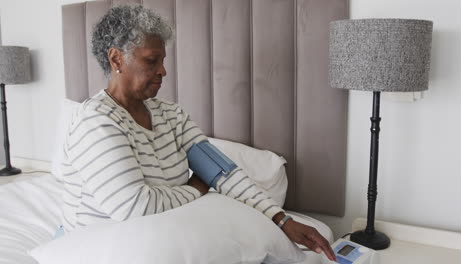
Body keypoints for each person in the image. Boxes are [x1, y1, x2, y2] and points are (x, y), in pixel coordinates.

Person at [59, 5, 336, 261]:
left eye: (162, 60)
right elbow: (135, 208)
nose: (163, 71)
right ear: (116, 58)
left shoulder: (170, 115)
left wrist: (281, 219)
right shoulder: (95, 122)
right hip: (97, 249)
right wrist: (195, 189)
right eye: (152, 61)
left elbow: (222, 173)